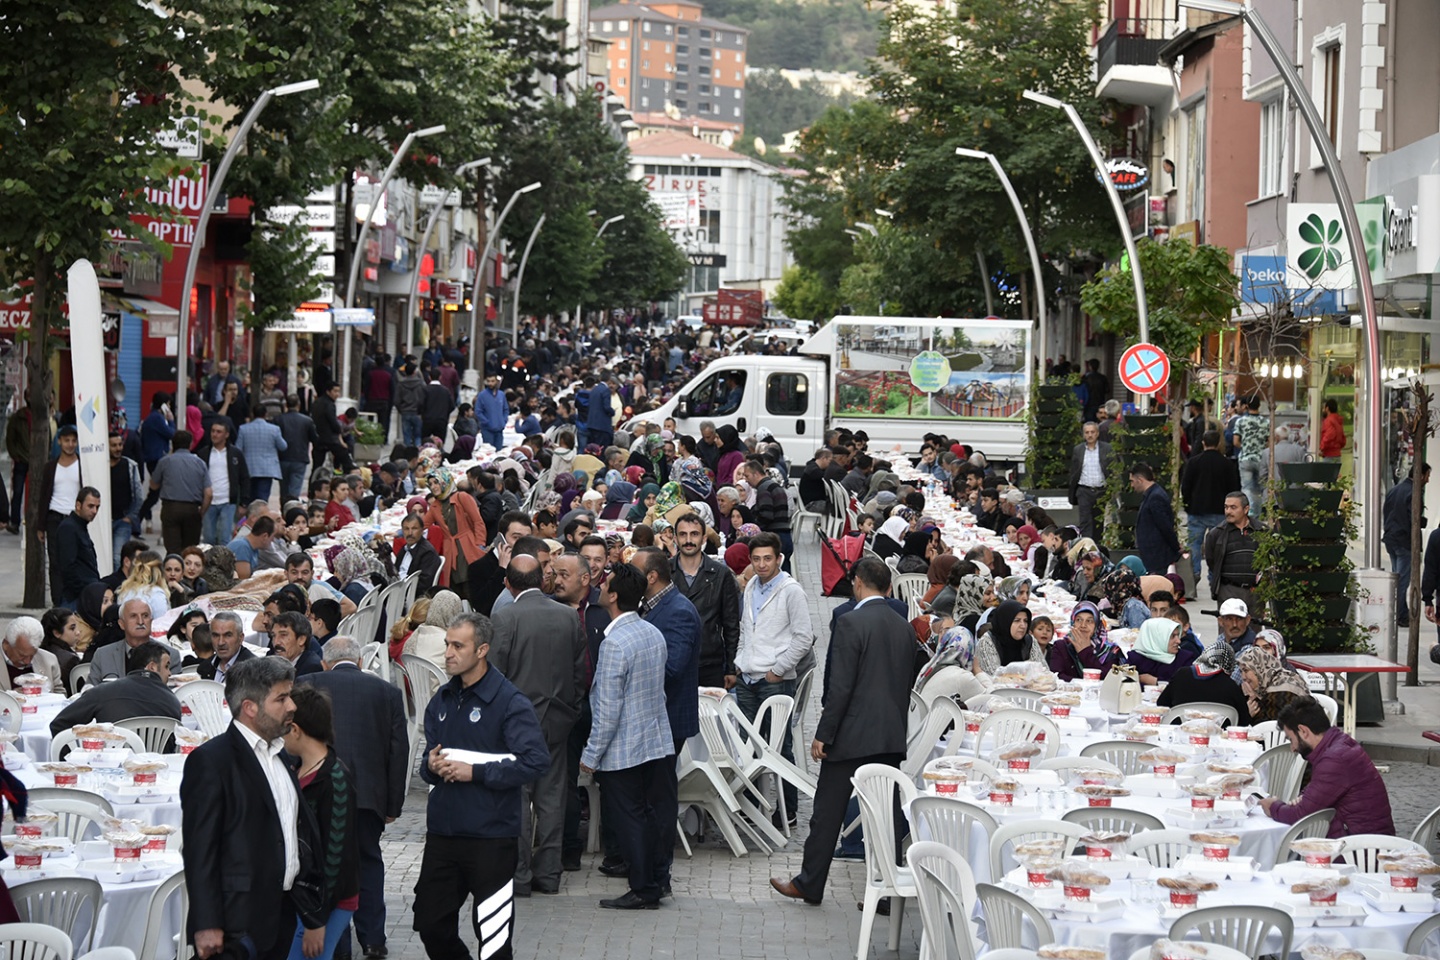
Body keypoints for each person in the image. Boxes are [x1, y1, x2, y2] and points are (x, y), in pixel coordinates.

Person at [770, 559, 912, 907]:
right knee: (887, 815)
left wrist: (824, 733)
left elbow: (840, 686)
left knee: (827, 811)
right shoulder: (903, 625)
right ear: (888, 587)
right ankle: (889, 891)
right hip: (890, 732)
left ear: (858, 583)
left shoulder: (850, 621)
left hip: (852, 734)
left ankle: (810, 882)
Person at [413, 612, 549, 959]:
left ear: (482, 650)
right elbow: (430, 761)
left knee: (493, 938)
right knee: (430, 924)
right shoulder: (441, 699)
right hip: (443, 834)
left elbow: (535, 761)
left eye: (458, 646)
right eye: (447, 644)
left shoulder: (509, 702)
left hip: (491, 838)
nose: (448, 653)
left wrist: (476, 773)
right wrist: (430, 766)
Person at [182, 657, 323, 960]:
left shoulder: (282, 756)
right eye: (281, 699)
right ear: (250, 708)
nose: (292, 707)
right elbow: (199, 849)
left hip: (280, 914)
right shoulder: (211, 762)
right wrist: (207, 923)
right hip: (236, 923)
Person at [299, 636, 408, 960]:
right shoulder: (387, 692)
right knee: (368, 864)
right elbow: (397, 750)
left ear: (324, 662)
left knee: (322, 866)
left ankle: (336, 939)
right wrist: (392, 805)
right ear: (360, 662)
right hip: (367, 796)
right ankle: (373, 939)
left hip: (318, 793)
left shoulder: (307, 683)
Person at [488, 556, 587, 897]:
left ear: (508, 583)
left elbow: (494, 676)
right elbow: (579, 672)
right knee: (552, 798)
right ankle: (548, 873)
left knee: (518, 800)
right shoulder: (567, 616)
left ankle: (519, 874)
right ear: (541, 581)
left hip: (515, 723)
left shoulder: (504, 617)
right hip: (557, 718)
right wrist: (570, 711)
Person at [578, 564, 674, 909]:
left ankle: (643, 887)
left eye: (605, 584)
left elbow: (607, 708)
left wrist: (591, 756)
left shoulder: (615, 643)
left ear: (614, 596)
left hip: (623, 748)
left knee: (629, 819)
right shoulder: (652, 632)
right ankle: (656, 881)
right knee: (648, 816)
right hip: (654, 741)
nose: (600, 587)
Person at [634, 547, 699, 882]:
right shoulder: (652, 607)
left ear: (652, 576)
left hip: (668, 718)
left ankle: (658, 874)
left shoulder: (678, 612)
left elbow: (672, 667)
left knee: (659, 797)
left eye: (634, 571)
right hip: (656, 717)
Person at [281, 685, 360, 960]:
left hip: (325, 903)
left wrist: (317, 920)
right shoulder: (297, 768)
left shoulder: (335, 782)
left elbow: (336, 857)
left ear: (296, 730)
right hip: (304, 898)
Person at [734, 531, 811, 812]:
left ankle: (787, 811)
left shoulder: (791, 591)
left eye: (767, 559)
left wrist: (778, 669)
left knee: (779, 748)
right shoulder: (752, 585)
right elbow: (746, 628)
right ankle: (753, 806)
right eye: (756, 559)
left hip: (773, 681)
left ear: (779, 558)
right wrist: (740, 660)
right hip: (748, 676)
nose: (762, 564)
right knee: (748, 745)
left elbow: (804, 637)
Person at [1259, 697, 1394, 836]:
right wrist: (1305, 796)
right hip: (1363, 838)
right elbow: (1322, 789)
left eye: (1291, 739)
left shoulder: (1334, 759)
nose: (1292, 748)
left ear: (1303, 731)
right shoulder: (1339, 743)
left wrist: (1273, 807)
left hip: (1359, 849)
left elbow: (1301, 815)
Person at [50, 640, 181, 735]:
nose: (169, 673)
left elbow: (59, 724)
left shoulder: (102, 692)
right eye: (166, 666)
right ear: (152, 667)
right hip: (157, 769)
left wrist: (74, 756)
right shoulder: (173, 701)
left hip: (109, 766)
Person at [670, 513, 740, 689]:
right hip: (671, 663)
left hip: (710, 663)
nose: (688, 540)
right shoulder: (664, 572)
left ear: (704, 538)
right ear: (675, 538)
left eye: (694, 534)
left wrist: (730, 667)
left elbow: (731, 624)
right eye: (683, 534)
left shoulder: (721, 574)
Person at [1181, 431, 1240, 592]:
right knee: (1218, 547)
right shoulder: (1227, 464)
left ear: (1203, 443)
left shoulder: (1193, 462)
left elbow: (1186, 487)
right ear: (1219, 442)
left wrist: (1187, 505)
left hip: (1197, 509)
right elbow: (1234, 489)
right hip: (1220, 511)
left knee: (1194, 544)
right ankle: (1215, 577)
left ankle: (1193, 574)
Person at [38, 424, 84, 604]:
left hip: (75, 518)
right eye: (66, 440)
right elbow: (43, 496)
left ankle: (73, 598)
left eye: (73, 441)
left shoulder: (82, 465)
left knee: (75, 560)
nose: (70, 444)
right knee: (55, 562)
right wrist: (40, 526)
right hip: (54, 517)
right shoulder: (50, 467)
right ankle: (58, 601)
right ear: (59, 441)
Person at [1156, 641, 1252, 722]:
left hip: (1179, 737)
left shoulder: (1181, 674)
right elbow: (1242, 721)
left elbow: (1161, 704)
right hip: (1216, 741)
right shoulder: (1231, 686)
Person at [1383, 462, 1429, 628]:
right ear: (1421, 475)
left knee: (1397, 577)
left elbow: (1387, 512)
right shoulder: (1413, 492)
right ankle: (1401, 615)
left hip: (1391, 538)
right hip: (1404, 541)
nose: (1428, 480)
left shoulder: (1395, 490)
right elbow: (1413, 518)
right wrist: (1422, 522)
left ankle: (1400, 613)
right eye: (1427, 476)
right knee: (1402, 580)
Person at [149, 430, 211, 553]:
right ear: (190, 444)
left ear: (173, 444)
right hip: (192, 510)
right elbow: (209, 493)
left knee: (172, 549)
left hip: (170, 508)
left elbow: (153, 485)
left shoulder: (165, 461)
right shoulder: (200, 463)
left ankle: (173, 569)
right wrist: (201, 512)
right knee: (190, 551)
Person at [88, 599, 179, 681]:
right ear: (121, 624)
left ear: (151, 621)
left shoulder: (171, 655)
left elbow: (174, 694)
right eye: (133, 616)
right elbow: (90, 692)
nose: (140, 621)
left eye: (145, 616)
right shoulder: (103, 655)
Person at [195, 420, 251, 546]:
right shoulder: (204, 453)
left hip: (227, 502)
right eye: (213, 431)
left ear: (226, 434)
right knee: (209, 538)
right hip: (208, 502)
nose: (215, 434)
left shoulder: (235, 454)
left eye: (219, 432)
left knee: (225, 538)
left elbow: (244, 478)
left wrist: (244, 503)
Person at [1203, 491, 1260, 612]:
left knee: (1254, 628)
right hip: (1228, 590)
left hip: (1255, 592)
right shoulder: (1216, 534)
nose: (1228, 511)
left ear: (1246, 509)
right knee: (1229, 627)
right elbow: (1212, 561)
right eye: (1226, 507)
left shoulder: (1261, 531)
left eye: (1233, 507)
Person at [1048, 601, 1122, 681]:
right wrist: (1081, 684)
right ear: (1073, 623)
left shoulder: (1111, 651)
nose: (1083, 625)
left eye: (1089, 621)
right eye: (1079, 620)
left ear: (1097, 625)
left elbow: (1107, 680)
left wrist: (1085, 651)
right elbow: (1056, 677)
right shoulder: (1061, 646)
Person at [54, 487, 102, 608]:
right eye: (90, 506)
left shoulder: (79, 527)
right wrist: (82, 592)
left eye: (97, 507)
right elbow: (67, 566)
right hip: (75, 598)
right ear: (78, 505)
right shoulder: (69, 528)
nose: (94, 511)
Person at [1130, 462, 1181, 575]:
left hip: (1157, 557)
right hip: (1154, 556)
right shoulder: (1152, 495)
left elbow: (1165, 527)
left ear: (1140, 479)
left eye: (1132, 481)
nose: (1131, 485)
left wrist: (1176, 548)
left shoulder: (1155, 497)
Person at [1237, 645, 1310, 723]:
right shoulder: (1262, 686)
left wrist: (1250, 708)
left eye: (1246, 670)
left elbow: (1272, 728)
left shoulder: (1283, 689)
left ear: (1259, 668)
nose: (1243, 677)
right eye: (1241, 671)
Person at [1067, 422, 1113, 541]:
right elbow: (1074, 470)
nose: (1090, 435)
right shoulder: (1078, 450)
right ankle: (1086, 547)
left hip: (1101, 490)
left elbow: (1112, 468)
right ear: (1083, 435)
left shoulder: (1107, 448)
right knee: (1085, 522)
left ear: (1097, 433)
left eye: (1092, 432)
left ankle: (1097, 548)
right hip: (1084, 490)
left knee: (1099, 522)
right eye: (1087, 432)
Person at [237, 408, 288, 504]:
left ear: (252, 414)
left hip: (249, 468)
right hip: (267, 469)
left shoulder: (243, 429)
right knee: (263, 498)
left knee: (249, 497)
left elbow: (238, 449)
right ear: (266, 414)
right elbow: (283, 446)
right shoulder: (274, 429)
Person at [2, 617, 65, 693]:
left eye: (33, 655)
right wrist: (12, 696)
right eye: (22, 655)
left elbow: (60, 693)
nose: (27, 661)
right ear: (6, 644)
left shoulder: (49, 661)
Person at [1126, 617, 1195, 686]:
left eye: (1178, 635)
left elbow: (1187, 687)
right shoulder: (1135, 658)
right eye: (1172, 636)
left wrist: (1157, 682)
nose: (1178, 641)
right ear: (1156, 638)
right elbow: (1125, 684)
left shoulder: (1184, 659)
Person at [107, 431, 143, 557]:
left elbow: (139, 495)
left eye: (120, 444)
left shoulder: (130, 466)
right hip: (101, 520)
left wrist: (130, 517)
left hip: (122, 520)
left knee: (118, 558)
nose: (118, 448)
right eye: (114, 445)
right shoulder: (100, 467)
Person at [277, 396, 319, 501]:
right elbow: (314, 439)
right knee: (294, 490)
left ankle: (284, 508)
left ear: (286, 405)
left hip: (283, 457)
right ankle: (292, 510)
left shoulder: (278, 419)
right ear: (299, 405)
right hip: (300, 457)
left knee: (283, 488)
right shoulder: (307, 421)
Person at [1234, 396, 1268, 519]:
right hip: (1261, 459)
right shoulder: (1266, 422)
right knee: (1260, 489)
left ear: (1247, 405)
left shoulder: (1240, 421)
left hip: (1245, 458)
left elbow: (1235, 441)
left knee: (1247, 488)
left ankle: (1247, 513)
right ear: (1259, 405)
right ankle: (1257, 516)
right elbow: (1269, 443)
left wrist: (1246, 448)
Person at [314, 383, 357, 473]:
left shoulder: (317, 402)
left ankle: (313, 486)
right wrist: (339, 430)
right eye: (335, 391)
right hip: (330, 438)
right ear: (328, 392)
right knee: (347, 461)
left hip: (318, 438)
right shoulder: (329, 405)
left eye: (338, 391)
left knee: (316, 468)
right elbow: (333, 422)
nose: (337, 394)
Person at [39, 608, 82, 694]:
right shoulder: (70, 659)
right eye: (72, 628)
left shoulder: (41, 651)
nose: (77, 632)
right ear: (57, 633)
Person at [395, 512, 442, 588]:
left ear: (422, 530)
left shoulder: (427, 553)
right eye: (406, 529)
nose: (410, 533)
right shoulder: (404, 549)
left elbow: (424, 584)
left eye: (414, 528)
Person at [271, 611, 323, 677]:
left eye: (283, 635)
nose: (276, 642)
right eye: (273, 635)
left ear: (301, 639)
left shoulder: (311, 668)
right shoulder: (273, 660)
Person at [210, 612, 255, 684]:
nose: (220, 642)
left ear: (240, 638)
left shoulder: (254, 671)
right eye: (216, 635)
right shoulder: (206, 666)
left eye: (228, 635)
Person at [228, 516, 276, 581]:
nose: (273, 540)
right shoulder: (242, 547)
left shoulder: (254, 549)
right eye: (272, 537)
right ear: (265, 536)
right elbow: (242, 581)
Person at [477, 375, 510, 450]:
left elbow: (505, 409)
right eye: (488, 381)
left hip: (499, 429)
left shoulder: (501, 395)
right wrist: (486, 422)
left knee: (499, 452)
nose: (490, 383)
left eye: (492, 381)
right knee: (489, 452)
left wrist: (503, 421)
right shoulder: (482, 395)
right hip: (487, 430)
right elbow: (478, 411)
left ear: (497, 382)